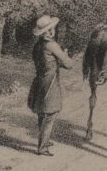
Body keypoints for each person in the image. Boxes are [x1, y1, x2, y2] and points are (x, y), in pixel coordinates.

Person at [26, 15, 76, 156]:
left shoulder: (38, 45)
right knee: (50, 114)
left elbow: (46, 61)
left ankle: (44, 140)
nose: (53, 30)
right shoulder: (52, 45)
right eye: (52, 29)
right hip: (50, 82)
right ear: (48, 32)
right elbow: (69, 64)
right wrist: (65, 55)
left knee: (42, 112)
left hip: (39, 80)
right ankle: (42, 148)